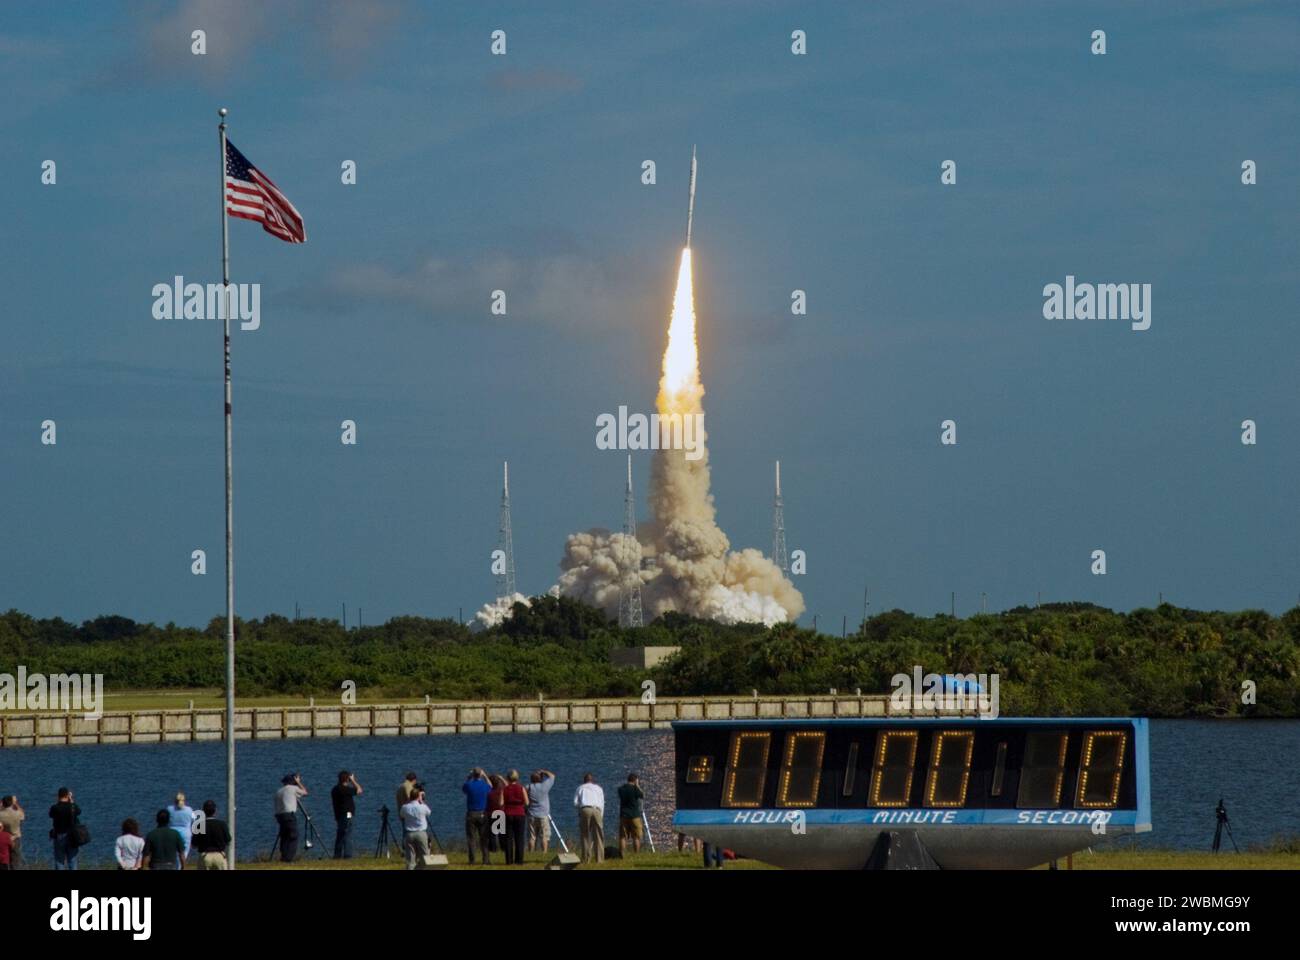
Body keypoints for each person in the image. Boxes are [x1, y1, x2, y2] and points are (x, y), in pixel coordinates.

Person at [274, 773, 308, 862]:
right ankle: (289, 858)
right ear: (293, 781)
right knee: (293, 836)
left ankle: (283, 857)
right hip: (289, 815)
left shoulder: (279, 791)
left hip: (279, 816)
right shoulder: (293, 789)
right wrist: (298, 782)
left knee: (284, 836)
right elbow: (305, 792)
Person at [462, 768, 492, 865]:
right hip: (482, 813)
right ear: (480, 775)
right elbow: (491, 786)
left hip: (471, 814)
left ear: (473, 775)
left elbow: (464, 787)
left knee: (471, 838)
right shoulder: (484, 785)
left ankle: (472, 860)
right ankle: (486, 860)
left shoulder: (469, 785)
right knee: (484, 838)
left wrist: (468, 777)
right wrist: (485, 775)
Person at [573, 773, 605, 863]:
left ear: (584, 780)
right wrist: (601, 815)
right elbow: (602, 803)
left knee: (585, 835)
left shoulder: (580, 788)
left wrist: (580, 810)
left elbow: (575, 803)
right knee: (598, 835)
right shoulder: (599, 788)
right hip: (597, 810)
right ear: (593, 780)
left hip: (585, 809)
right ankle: (599, 859)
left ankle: (586, 859)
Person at [330, 770, 363, 859]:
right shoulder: (346, 789)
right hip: (347, 814)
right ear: (347, 779)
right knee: (348, 834)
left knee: (340, 834)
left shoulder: (335, 789)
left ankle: (337, 855)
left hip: (339, 815)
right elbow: (359, 790)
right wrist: (353, 780)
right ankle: (348, 855)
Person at [398, 784, 432, 870]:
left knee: (410, 859)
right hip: (421, 833)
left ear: (410, 797)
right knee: (425, 857)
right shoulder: (422, 807)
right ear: (418, 796)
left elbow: (401, 815)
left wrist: (409, 801)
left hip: (409, 834)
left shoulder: (405, 807)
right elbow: (429, 812)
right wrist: (421, 801)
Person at [192, 800, 231, 870]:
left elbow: (194, 845)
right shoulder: (222, 824)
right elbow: (228, 841)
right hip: (219, 855)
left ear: (203, 811)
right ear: (215, 810)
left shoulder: (200, 825)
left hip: (205, 856)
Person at [48, 787, 81, 870]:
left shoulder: (55, 808)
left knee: (59, 861)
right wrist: (71, 800)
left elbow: (51, 814)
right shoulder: (72, 807)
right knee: (72, 861)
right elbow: (79, 811)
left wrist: (59, 801)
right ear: (67, 795)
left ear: (58, 796)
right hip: (72, 836)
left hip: (59, 836)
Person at [526, 769, 555, 853]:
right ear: (540, 779)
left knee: (532, 836)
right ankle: (544, 852)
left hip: (531, 814)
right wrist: (544, 771)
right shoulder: (544, 786)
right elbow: (552, 776)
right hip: (543, 815)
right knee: (544, 836)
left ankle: (530, 852)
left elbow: (523, 792)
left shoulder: (529, 787)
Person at [503, 770, 528, 865]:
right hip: (520, 814)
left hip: (508, 814)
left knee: (508, 838)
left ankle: (509, 861)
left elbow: (501, 802)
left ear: (508, 778)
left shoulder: (505, 789)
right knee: (519, 838)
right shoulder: (521, 788)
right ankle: (519, 860)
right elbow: (527, 802)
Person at [617, 773, 645, 854]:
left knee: (623, 836)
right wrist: (637, 785)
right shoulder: (635, 789)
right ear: (635, 780)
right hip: (634, 815)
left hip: (624, 815)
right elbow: (642, 795)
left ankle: (621, 854)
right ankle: (636, 854)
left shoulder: (621, 789)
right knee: (636, 837)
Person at [166, 791, 195, 867]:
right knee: (183, 854)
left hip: (172, 834)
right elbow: (194, 819)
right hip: (186, 834)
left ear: (175, 800)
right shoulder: (189, 810)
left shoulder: (169, 809)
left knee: (173, 855)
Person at [0, 796, 25, 869]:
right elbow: (23, 815)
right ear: (11, 803)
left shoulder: (1, 815)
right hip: (15, 838)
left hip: (3, 839)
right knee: (15, 861)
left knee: (3, 860)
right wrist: (16, 804)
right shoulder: (17, 814)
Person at [486, 774, 507, 858]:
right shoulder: (502, 790)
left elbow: (489, 785)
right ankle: (503, 848)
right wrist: (501, 777)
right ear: (498, 783)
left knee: (492, 834)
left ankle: (493, 849)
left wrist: (485, 776)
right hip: (500, 813)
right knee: (501, 834)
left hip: (491, 814)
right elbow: (507, 785)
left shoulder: (489, 792)